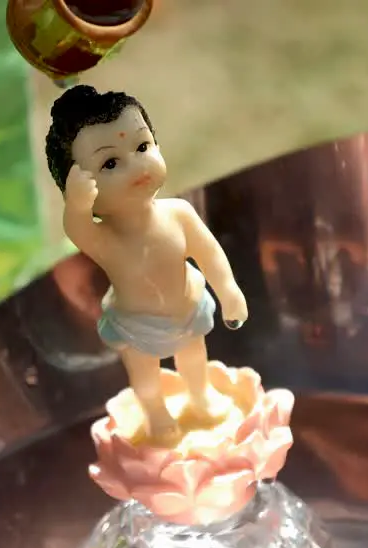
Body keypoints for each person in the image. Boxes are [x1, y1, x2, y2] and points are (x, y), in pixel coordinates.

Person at [44, 85, 248, 446]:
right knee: (147, 379)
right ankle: (156, 412)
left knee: (194, 360)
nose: (136, 166)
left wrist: (228, 288)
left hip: (187, 306)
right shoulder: (105, 239)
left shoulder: (179, 214)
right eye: (110, 163)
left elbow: (210, 253)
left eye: (142, 147)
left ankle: (200, 397)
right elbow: (76, 229)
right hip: (138, 324)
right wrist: (76, 208)